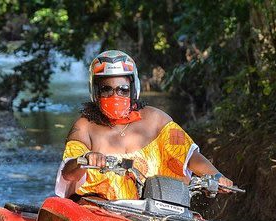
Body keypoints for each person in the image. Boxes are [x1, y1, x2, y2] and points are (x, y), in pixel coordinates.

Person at [56, 49, 233, 201]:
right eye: (106, 89)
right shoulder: (84, 127)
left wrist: (216, 176)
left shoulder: (157, 120)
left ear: (133, 90)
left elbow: (189, 155)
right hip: (99, 212)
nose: (115, 95)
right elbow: (67, 173)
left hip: (155, 211)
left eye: (123, 89)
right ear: (95, 91)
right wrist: (83, 161)